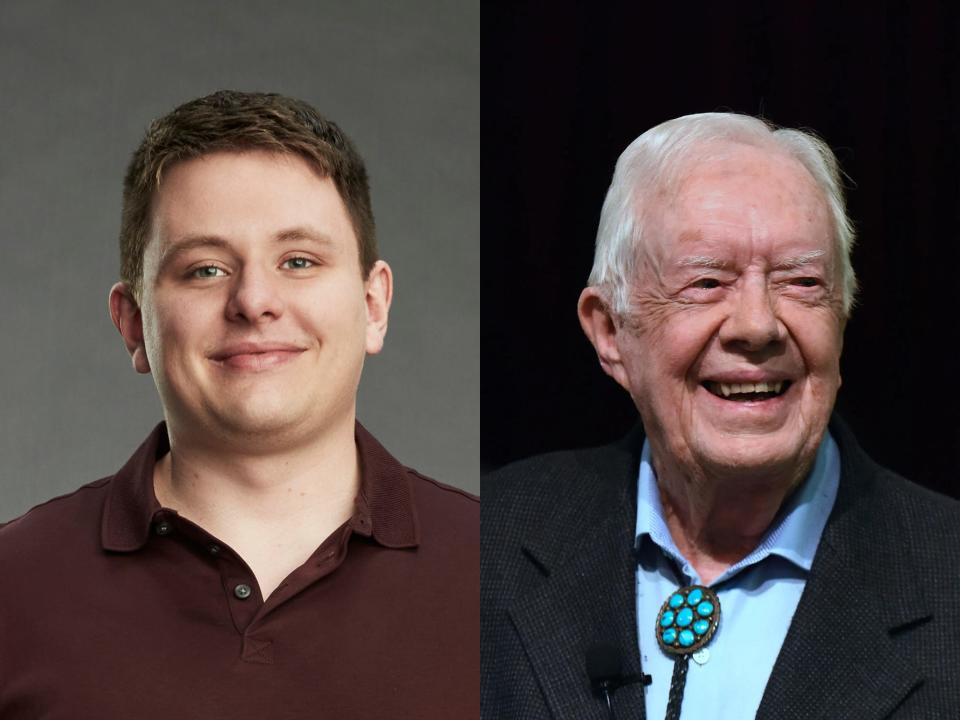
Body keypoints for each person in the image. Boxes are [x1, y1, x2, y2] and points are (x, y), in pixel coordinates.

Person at [0, 91, 478, 718]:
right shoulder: (14, 585)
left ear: (374, 306)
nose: (254, 300)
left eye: (299, 261)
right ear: (133, 324)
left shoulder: (492, 571)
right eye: (204, 269)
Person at [481, 113, 960, 719]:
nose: (757, 325)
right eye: (707, 282)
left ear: (843, 315)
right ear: (609, 331)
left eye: (802, 282)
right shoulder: (485, 545)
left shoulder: (945, 574)